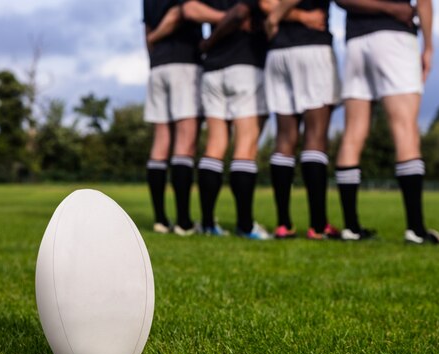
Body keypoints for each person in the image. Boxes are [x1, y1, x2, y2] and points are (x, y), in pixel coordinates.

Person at [182, 0, 326, 239]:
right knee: (245, 145)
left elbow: (189, 8)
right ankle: (246, 226)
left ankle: (208, 223)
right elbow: (243, 11)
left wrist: (212, 38)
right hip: (246, 64)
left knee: (215, 144)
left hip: (213, 68)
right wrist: (227, 22)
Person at [333, 0, 439, 244]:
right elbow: (424, 3)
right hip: (394, 37)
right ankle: (415, 230)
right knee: (405, 129)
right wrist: (428, 47)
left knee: (352, 134)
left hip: (356, 41)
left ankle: (351, 228)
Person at [262, 0, 341, 240]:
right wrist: (295, 16)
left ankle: (283, 224)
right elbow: (270, 9)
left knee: (285, 138)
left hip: (278, 52)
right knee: (315, 137)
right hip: (311, 48)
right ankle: (318, 226)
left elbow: (266, 4)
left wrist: (281, 15)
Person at [143, 0, 202, 236]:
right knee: (185, 143)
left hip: (158, 66)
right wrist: (156, 37)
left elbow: (146, 30)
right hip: (183, 63)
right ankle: (184, 222)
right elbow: (178, 14)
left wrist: (153, 54)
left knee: (160, 142)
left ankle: (160, 220)